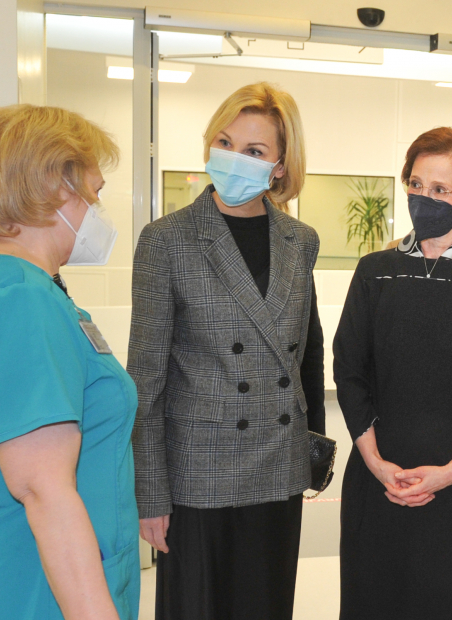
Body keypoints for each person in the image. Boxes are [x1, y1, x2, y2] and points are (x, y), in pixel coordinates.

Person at [0, 105, 139, 619]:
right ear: (53, 186)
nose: (98, 210)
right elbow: (44, 491)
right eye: (94, 193)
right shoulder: (15, 297)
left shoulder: (7, 286)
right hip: (30, 590)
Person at [128, 82, 324, 620]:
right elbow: (146, 376)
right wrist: (150, 493)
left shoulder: (301, 241)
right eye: (225, 142)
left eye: (254, 150)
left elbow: (307, 356)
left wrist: (313, 452)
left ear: (279, 166)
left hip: (277, 467)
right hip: (198, 474)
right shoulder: (167, 239)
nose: (235, 158)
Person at [333, 126, 452, 620]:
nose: (423, 198)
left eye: (440, 189)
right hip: (378, 477)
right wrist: (376, 462)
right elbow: (349, 369)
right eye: (416, 184)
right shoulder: (375, 271)